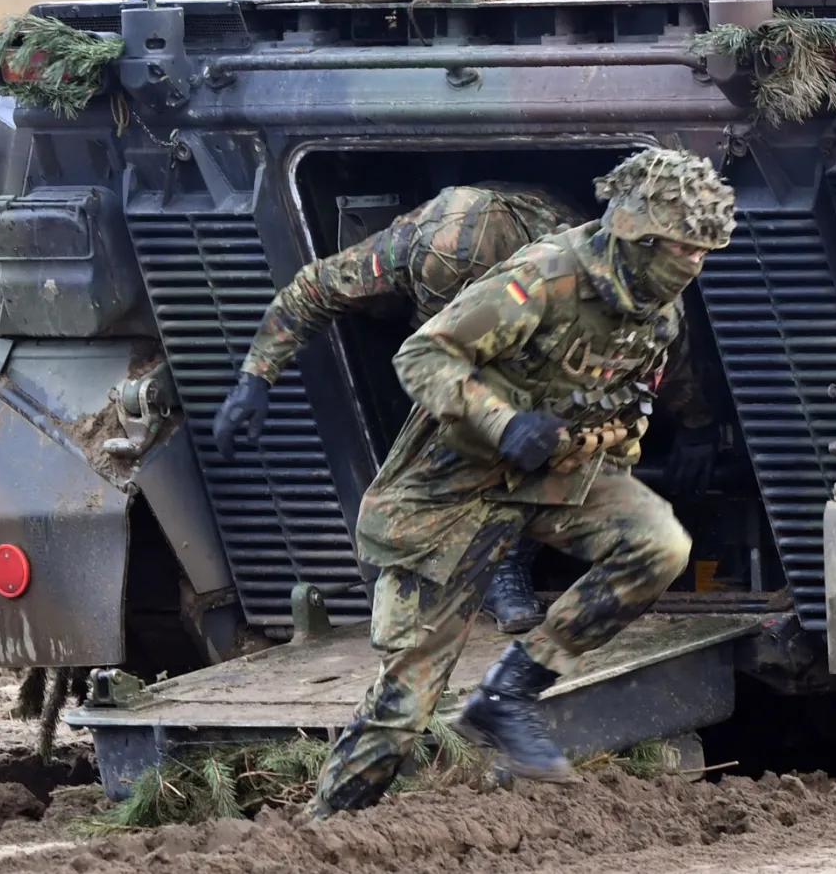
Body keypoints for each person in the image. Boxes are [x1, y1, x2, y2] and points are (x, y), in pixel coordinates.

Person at [302, 146, 738, 820]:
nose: (695, 265)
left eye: (704, 253)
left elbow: (639, 392)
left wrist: (688, 431)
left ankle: (509, 692)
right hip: (455, 487)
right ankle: (322, 832)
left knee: (659, 546)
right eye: (686, 249)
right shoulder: (544, 276)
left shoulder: (657, 311)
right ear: (641, 236)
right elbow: (423, 355)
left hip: (549, 482)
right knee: (404, 707)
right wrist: (502, 423)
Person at [213, 182, 587, 634]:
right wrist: (255, 376)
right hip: (449, 343)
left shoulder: (565, 259)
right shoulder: (406, 245)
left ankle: (507, 559)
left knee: (544, 422)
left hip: (544, 344)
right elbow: (311, 290)